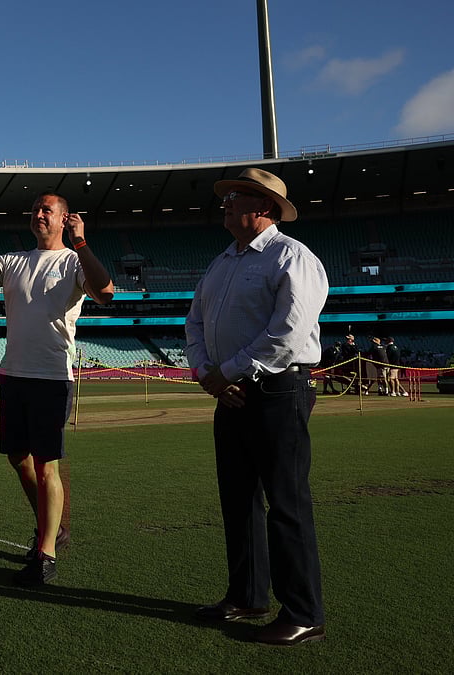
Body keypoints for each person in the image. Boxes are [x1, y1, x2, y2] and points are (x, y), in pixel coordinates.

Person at [0, 191, 114, 586]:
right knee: (18, 458)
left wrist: (81, 242)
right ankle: (50, 525)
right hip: (13, 374)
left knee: (46, 463)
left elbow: (105, 292)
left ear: (65, 219)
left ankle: (46, 552)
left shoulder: (73, 261)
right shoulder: (12, 260)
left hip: (52, 377)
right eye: (35, 209)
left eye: (47, 210)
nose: (38, 214)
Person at [185, 167, 328, 646]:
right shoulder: (222, 261)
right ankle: (246, 596)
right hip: (229, 392)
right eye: (227, 196)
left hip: (278, 392)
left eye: (237, 196)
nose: (225, 202)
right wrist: (207, 373)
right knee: (238, 500)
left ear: (263, 208)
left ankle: (303, 613)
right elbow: (195, 322)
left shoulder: (293, 257)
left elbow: (286, 336)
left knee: (286, 504)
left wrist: (227, 371)